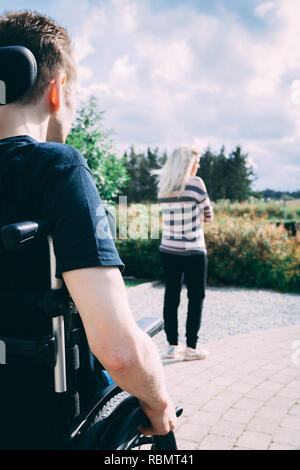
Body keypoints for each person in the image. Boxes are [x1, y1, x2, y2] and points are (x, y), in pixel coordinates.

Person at [0, 10, 176, 448]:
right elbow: (119, 352)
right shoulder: (57, 168)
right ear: (58, 91)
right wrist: (158, 404)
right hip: (51, 423)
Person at [156, 147, 213, 361]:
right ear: (186, 163)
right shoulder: (196, 183)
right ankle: (191, 348)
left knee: (171, 297)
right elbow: (208, 215)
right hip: (193, 250)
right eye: (195, 162)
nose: (197, 166)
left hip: (168, 249)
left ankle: (172, 347)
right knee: (195, 297)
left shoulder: (164, 186)